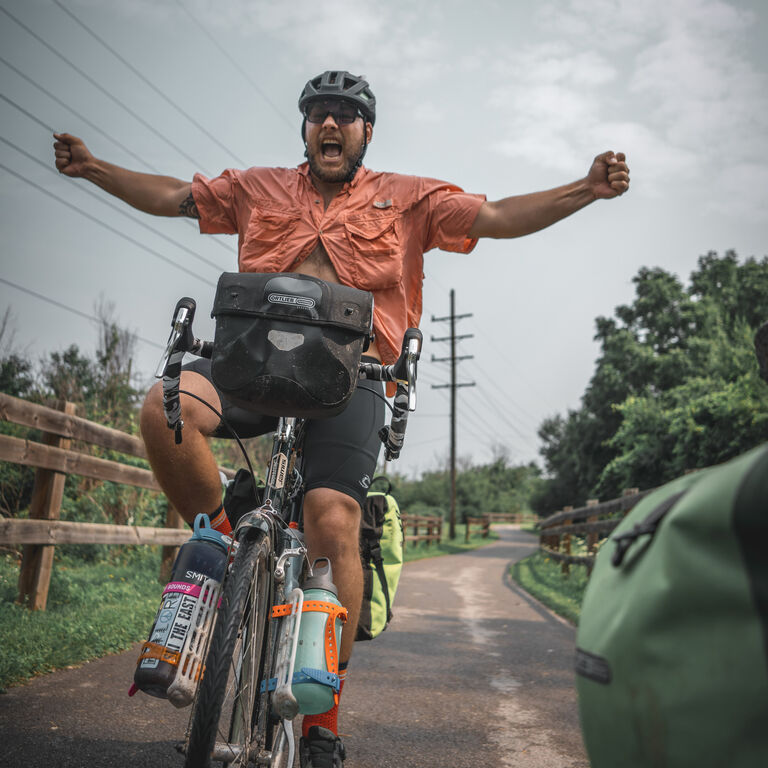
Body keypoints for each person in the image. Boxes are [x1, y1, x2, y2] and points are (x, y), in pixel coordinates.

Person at [53, 69, 629, 768]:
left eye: (346, 114)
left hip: (353, 379)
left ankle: (322, 720)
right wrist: (91, 169)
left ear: (366, 131)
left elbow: (499, 217)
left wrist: (585, 188)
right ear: (305, 127)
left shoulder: (412, 198)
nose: (331, 123)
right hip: (251, 367)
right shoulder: (258, 187)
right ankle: (232, 539)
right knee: (163, 409)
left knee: (331, 518)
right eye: (319, 113)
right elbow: (175, 196)